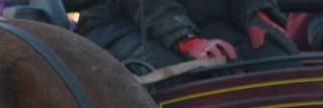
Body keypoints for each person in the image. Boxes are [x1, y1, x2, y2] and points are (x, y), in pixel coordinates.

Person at [79, 0, 298, 68]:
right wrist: (184, 38)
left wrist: (255, 13)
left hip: (203, 18)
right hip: (121, 20)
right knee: (189, 79)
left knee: (280, 62)